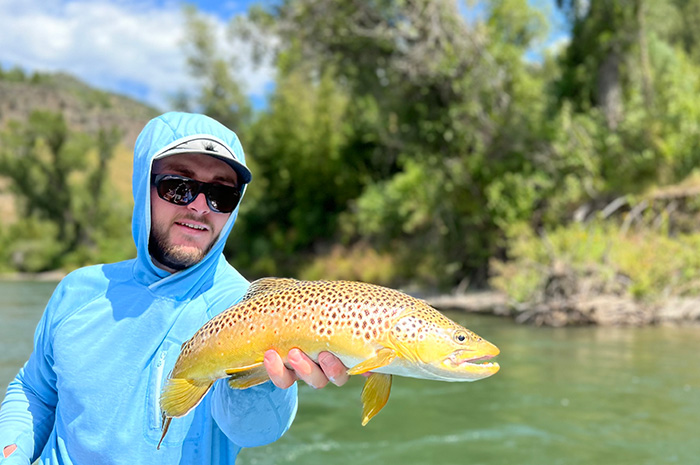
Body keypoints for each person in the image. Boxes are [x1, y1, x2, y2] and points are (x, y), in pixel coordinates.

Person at [0, 112, 349, 464]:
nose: (199, 206)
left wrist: (264, 382)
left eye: (221, 194)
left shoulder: (249, 306)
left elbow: (254, 430)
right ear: (143, 185)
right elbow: (34, 390)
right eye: (178, 186)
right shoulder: (77, 291)